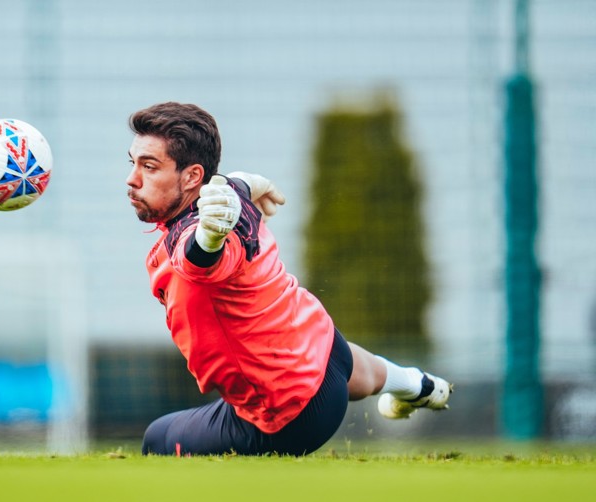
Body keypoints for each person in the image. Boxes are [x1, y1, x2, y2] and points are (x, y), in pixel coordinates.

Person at [126, 101, 452, 456]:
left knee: (157, 438)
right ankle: (416, 384)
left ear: (191, 177)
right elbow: (225, 201)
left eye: (149, 166)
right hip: (327, 352)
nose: (133, 178)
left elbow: (201, 259)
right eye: (134, 163)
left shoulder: (202, 232)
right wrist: (241, 184)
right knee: (364, 375)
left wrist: (210, 236)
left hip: (287, 418)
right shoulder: (228, 198)